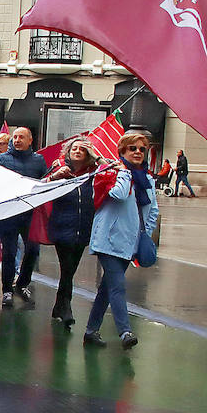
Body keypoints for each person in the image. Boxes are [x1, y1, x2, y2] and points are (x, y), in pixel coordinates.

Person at [83, 131, 159, 349]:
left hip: (130, 242)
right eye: (132, 148)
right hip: (108, 240)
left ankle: (90, 330)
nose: (137, 152)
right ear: (122, 151)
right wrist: (125, 173)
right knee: (118, 286)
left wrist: (143, 234)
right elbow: (118, 194)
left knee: (107, 288)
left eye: (142, 149)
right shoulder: (110, 172)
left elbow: (152, 210)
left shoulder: (148, 180)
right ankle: (125, 332)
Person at [0, 127, 46, 308]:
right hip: (9, 214)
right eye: (15, 137)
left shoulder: (38, 160)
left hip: (30, 214)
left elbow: (45, 180)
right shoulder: (2, 160)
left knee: (33, 250)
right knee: (9, 253)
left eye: (21, 137)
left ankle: (22, 284)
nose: (17, 140)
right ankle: (7, 291)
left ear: (30, 140)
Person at [43, 138, 100, 327]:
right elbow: (41, 186)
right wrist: (56, 176)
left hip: (83, 228)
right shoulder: (59, 169)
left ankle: (59, 305)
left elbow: (111, 173)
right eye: (74, 148)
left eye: (81, 149)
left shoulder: (92, 173)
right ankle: (66, 307)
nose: (77, 151)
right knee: (67, 268)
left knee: (70, 270)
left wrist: (100, 161)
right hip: (62, 226)